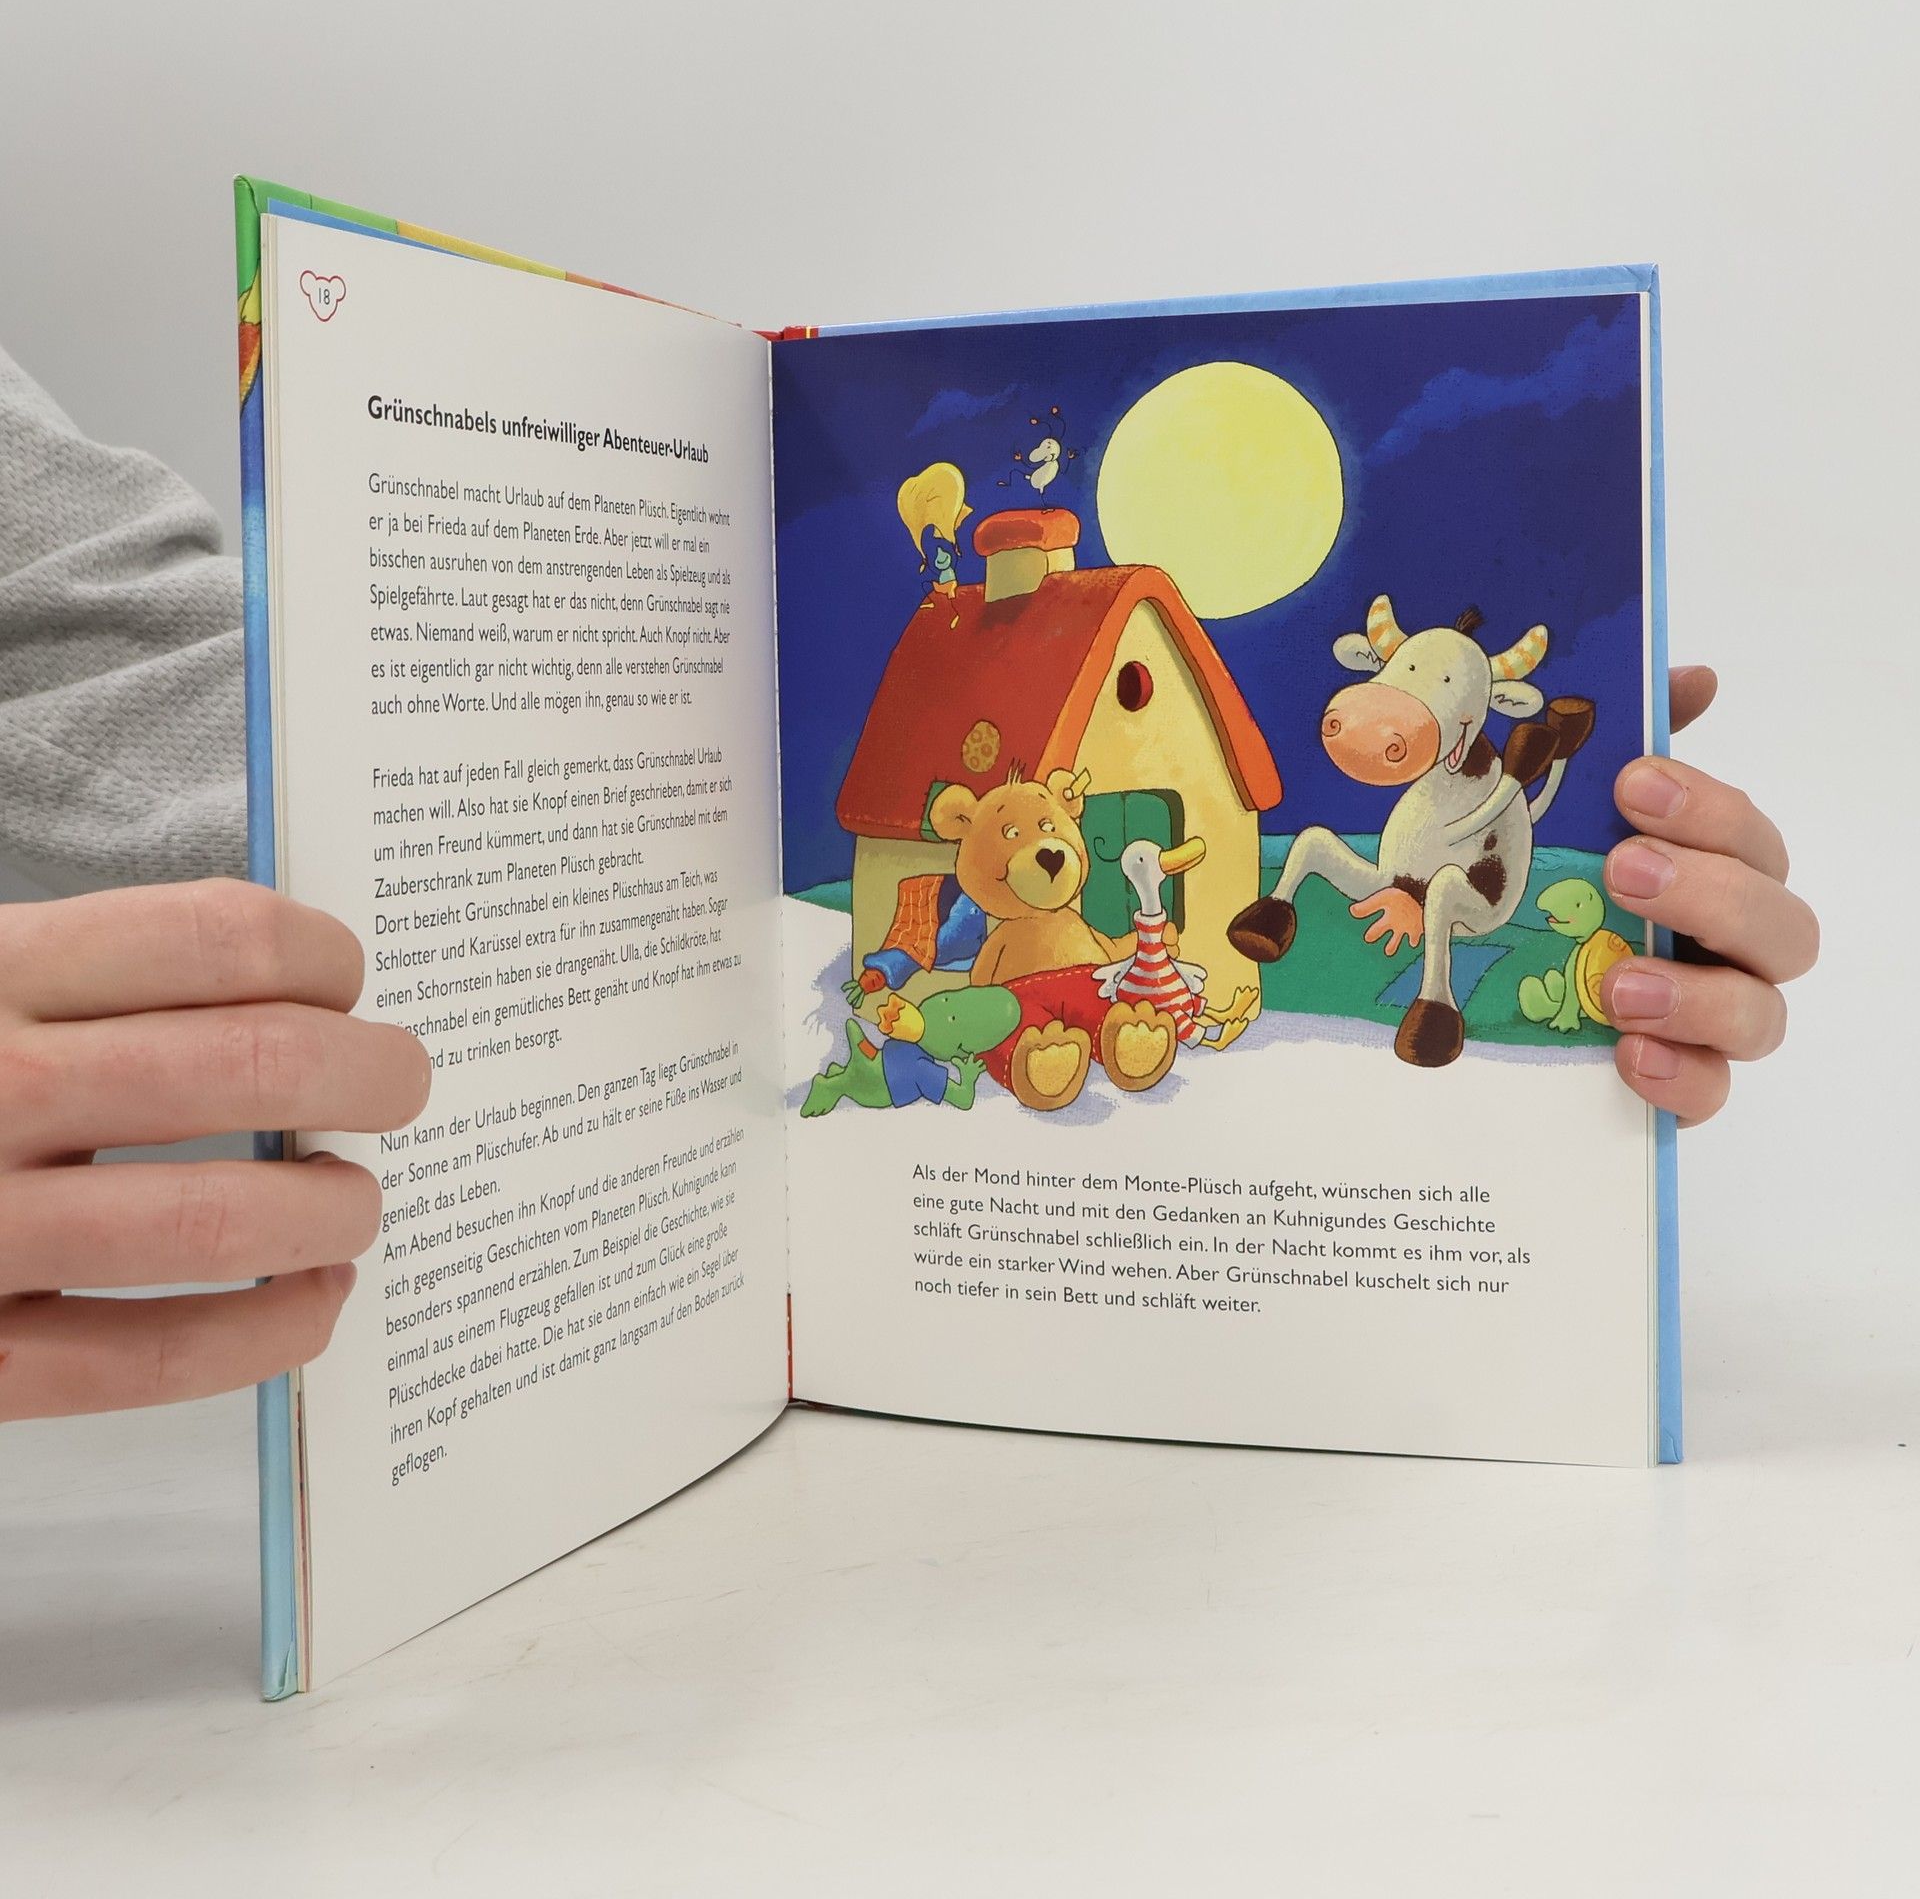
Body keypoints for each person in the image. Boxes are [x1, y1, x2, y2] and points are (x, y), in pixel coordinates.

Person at [0, 344, 1819, 1423]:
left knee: (1135, 975)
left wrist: (1597, 890)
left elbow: (149, 679)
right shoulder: (967, 824)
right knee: (1011, 994)